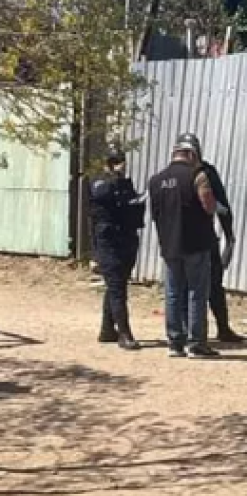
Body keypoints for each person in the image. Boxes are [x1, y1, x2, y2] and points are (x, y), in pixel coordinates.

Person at [148, 137, 222, 359]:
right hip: (196, 244)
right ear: (191, 155)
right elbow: (208, 206)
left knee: (172, 293)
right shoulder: (198, 176)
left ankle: (174, 343)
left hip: (170, 245)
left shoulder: (156, 180)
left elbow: (155, 214)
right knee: (196, 292)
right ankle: (197, 343)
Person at [174, 132, 243, 343]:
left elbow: (221, 205)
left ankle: (219, 328)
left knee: (210, 285)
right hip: (189, 239)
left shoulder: (205, 173)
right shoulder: (183, 174)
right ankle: (189, 333)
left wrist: (229, 236)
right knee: (186, 288)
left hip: (197, 238)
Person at [89, 145, 146, 350]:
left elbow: (130, 204)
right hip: (108, 242)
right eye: (116, 162)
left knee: (117, 284)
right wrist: (117, 179)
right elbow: (102, 195)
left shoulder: (123, 184)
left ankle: (107, 329)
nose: (120, 166)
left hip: (126, 239)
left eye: (121, 162)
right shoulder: (100, 183)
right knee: (116, 287)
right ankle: (124, 333)